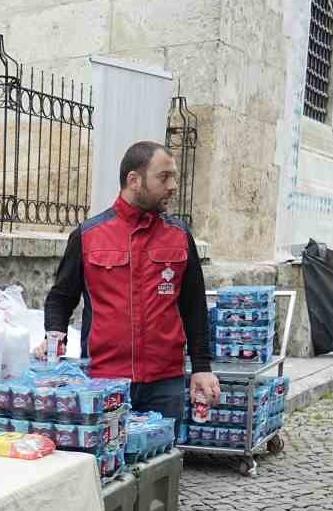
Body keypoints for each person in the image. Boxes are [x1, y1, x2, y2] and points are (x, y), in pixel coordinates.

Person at [42, 140, 219, 424]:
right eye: (164, 177)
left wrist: (201, 366)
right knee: (105, 465)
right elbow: (61, 298)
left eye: (174, 176)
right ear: (133, 180)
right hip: (104, 380)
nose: (173, 185)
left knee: (162, 465)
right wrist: (53, 342)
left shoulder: (180, 235)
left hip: (165, 383)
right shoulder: (88, 236)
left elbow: (194, 306)